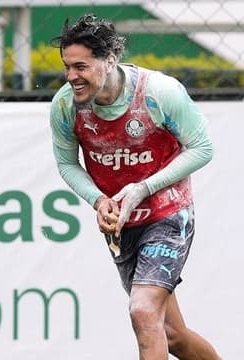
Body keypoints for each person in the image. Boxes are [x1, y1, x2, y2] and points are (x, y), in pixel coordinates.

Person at [49, 14, 222, 360]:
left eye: (80, 67)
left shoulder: (159, 93)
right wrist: (98, 200)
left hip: (168, 214)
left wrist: (142, 188)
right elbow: (68, 164)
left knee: (142, 310)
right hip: (123, 225)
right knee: (170, 335)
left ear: (110, 60)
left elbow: (203, 148)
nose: (71, 77)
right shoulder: (66, 106)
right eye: (67, 67)